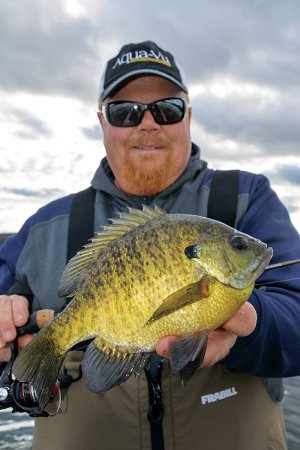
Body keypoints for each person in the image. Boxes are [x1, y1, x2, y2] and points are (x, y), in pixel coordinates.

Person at [0, 40, 300, 450]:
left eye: (167, 109)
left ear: (188, 117)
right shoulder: (43, 226)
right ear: (103, 123)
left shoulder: (249, 198)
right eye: (125, 112)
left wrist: (253, 322)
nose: (147, 123)